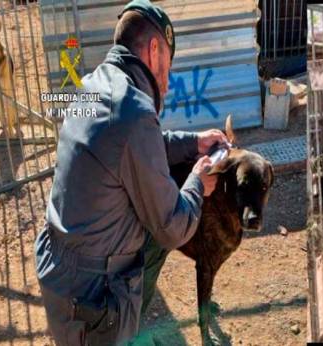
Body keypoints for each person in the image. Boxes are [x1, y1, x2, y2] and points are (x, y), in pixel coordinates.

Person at [34, 0, 228, 344]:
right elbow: (173, 227)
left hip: (63, 272)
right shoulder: (134, 111)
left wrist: (193, 142)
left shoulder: (93, 86)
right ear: (154, 50)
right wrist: (198, 180)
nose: (167, 84)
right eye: (167, 68)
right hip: (95, 298)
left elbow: (137, 148)